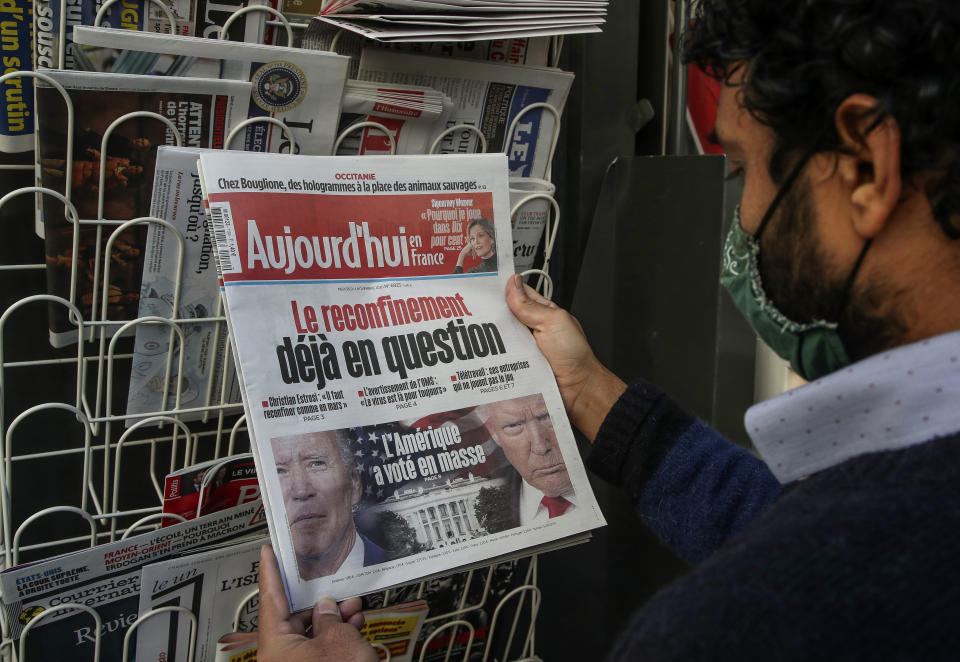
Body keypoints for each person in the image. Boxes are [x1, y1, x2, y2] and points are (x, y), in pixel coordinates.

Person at [257, 1, 960, 658]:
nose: (743, 218)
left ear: (867, 167)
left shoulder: (750, 623)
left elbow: (811, 563)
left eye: (743, 169)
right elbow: (781, 525)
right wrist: (591, 393)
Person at [271, 431, 390, 580]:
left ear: (354, 482)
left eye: (316, 463)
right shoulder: (273, 583)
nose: (301, 491)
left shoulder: (395, 567)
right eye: (279, 471)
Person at [481, 394, 576, 524]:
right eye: (513, 425)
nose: (540, 448)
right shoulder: (493, 503)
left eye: (548, 416)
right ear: (494, 433)